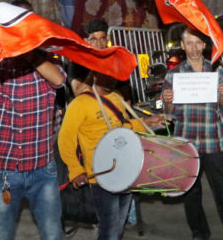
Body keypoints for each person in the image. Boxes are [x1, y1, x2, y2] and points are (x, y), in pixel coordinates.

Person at [0, 6, 67, 240]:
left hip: (42, 167)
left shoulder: (45, 62)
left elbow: (59, 80)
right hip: (4, 168)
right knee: (0, 235)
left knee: (53, 233)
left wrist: (28, 50)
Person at [57, 72, 165, 240]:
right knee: (109, 229)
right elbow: (65, 139)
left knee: (119, 224)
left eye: (114, 74)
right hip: (101, 175)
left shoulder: (117, 97)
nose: (111, 78)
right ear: (93, 76)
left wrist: (148, 122)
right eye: (105, 74)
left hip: (126, 169)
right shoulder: (80, 104)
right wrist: (75, 169)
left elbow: (124, 128)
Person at [162, 25, 223, 240]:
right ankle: (200, 233)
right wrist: (167, 102)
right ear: (182, 46)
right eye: (189, 43)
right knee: (191, 193)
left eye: (198, 42)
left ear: (205, 45)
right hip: (187, 142)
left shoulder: (217, 71)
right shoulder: (173, 75)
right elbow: (169, 113)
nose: (194, 47)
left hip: (214, 140)